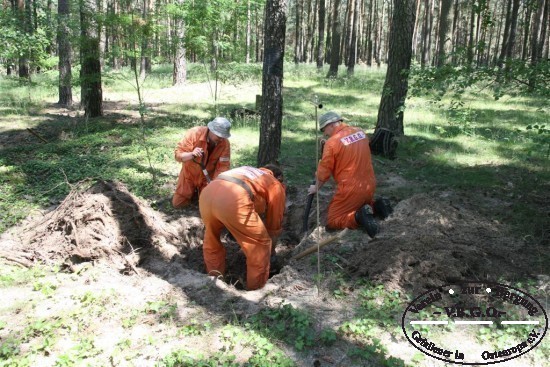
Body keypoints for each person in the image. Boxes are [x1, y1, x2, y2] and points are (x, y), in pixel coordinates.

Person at [199, 164, 286, 290]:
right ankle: (256, 289)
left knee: (211, 237)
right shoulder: (275, 184)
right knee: (260, 244)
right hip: (234, 198)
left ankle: (214, 280)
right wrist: (270, 249)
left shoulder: (248, 172)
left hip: (208, 193)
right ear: (278, 177)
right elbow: (274, 222)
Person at [307, 111, 379, 237]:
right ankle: (378, 207)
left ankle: (358, 217)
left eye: (324, 130)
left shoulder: (332, 143)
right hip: (369, 185)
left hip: (350, 190)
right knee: (360, 203)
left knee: (333, 220)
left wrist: (316, 187)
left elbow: (324, 170)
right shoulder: (360, 132)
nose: (325, 134)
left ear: (331, 125)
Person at [172, 117, 231, 208]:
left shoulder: (224, 143)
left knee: (208, 206)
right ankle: (192, 192)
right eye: (219, 136)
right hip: (189, 175)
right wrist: (192, 154)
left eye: (223, 137)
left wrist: (215, 184)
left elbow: (223, 167)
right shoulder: (194, 133)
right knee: (178, 204)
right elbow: (178, 156)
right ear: (211, 130)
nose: (221, 139)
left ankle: (199, 194)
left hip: (207, 179)